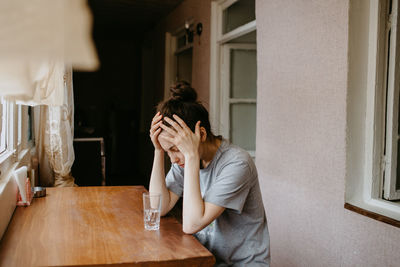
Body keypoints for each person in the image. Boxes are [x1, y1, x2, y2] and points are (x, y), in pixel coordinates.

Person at [148, 81, 270, 266]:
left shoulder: (237, 163)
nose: (172, 159)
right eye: (168, 151)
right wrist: (158, 150)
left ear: (201, 135)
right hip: (206, 257)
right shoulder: (185, 159)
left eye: (175, 149)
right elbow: (158, 208)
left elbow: (191, 224)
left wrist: (190, 156)